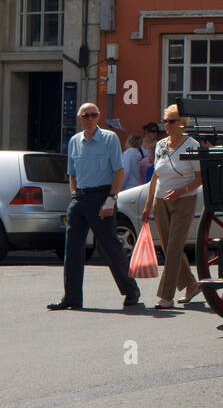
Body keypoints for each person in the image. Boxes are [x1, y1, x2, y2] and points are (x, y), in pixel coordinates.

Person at [47, 103, 141, 311]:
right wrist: (73, 196)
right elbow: (72, 173)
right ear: (80, 118)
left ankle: (131, 290)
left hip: (102, 197)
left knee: (109, 246)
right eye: (86, 115)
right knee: (72, 249)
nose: (90, 118)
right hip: (80, 198)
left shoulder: (109, 138)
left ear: (98, 117)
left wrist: (111, 199)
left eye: (94, 114)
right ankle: (72, 297)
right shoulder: (74, 141)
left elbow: (118, 171)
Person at [141, 106, 202, 309]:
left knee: (175, 247)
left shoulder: (192, 145)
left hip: (184, 200)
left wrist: (182, 190)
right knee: (169, 249)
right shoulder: (160, 145)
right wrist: (148, 204)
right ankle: (192, 284)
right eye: (165, 121)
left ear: (182, 123)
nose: (167, 125)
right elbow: (154, 177)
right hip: (161, 200)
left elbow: (200, 177)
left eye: (172, 121)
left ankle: (166, 296)